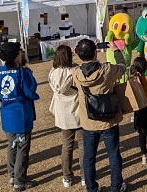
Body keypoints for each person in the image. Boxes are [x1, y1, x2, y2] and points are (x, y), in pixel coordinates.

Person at [73, 39, 127, 192]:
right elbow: (123, 67)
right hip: (108, 120)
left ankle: (91, 187)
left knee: (89, 157)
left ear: (78, 54)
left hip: (88, 122)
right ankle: (116, 186)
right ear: (95, 52)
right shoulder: (107, 70)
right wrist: (116, 50)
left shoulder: (76, 73)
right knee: (114, 155)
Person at [0, 42, 39, 192]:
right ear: (15, 56)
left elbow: (0, 95)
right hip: (21, 115)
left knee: (12, 144)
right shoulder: (22, 72)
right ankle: (19, 181)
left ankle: (13, 175)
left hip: (7, 115)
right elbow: (30, 90)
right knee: (22, 148)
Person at [48, 45, 84, 188]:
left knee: (67, 146)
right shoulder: (74, 71)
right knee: (82, 145)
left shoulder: (52, 72)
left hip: (62, 113)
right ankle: (84, 176)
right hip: (77, 111)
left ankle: (67, 177)